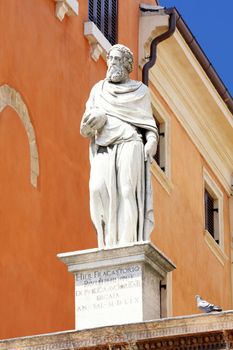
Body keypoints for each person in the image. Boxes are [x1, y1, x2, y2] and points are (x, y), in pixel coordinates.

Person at [80, 44, 158, 248]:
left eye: (116, 59)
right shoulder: (98, 90)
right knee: (97, 189)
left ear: (126, 64)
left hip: (130, 142)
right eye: (110, 59)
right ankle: (107, 241)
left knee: (126, 191)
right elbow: (85, 126)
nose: (111, 63)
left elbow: (149, 125)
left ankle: (127, 244)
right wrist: (92, 123)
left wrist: (152, 141)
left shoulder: (141, 91)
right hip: (104, 144)